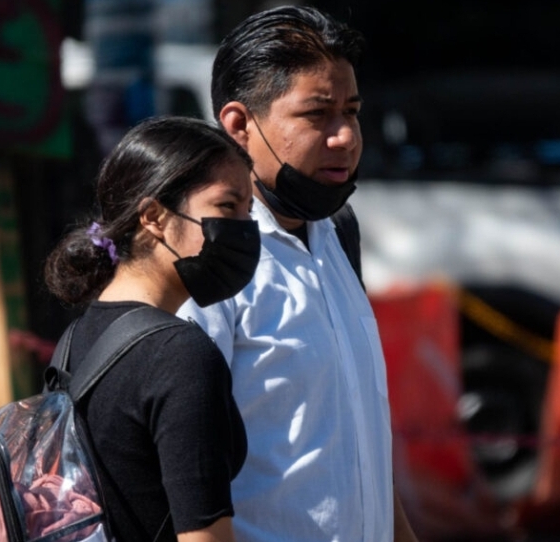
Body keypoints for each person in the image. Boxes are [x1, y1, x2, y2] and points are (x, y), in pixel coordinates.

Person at [176, 6, 419, 542]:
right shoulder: (206, 259)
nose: (345, 137)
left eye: (351, 112)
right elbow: (184, 475)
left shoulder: (337, 233)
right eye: (317, 114)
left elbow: (362, 445)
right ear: (239, 126)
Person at [44, 115, 260, 542]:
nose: (246, 230)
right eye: (227, 207)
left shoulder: (74, 341)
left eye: (248, 211)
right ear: (153, 217)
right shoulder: (181, 355)